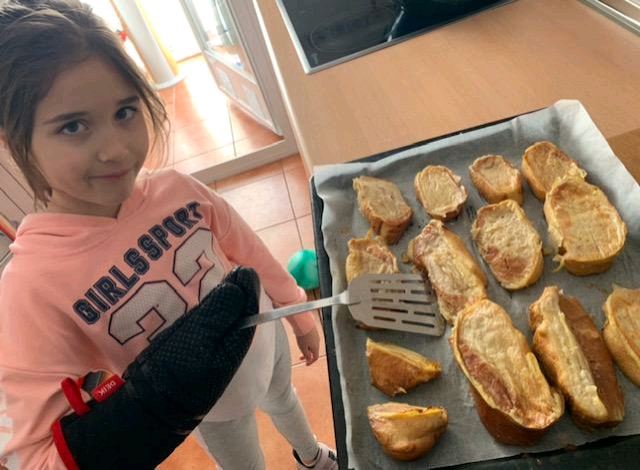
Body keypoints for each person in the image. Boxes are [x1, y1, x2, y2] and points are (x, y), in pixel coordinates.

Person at [0, 1, 338, 469]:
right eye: (73, 126)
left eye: (124, 111)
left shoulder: (177, 189)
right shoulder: (30, 289)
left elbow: (248, 249)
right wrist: (144, 412)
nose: (116, 149)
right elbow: (31, 454)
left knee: (285, 400)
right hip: (211, 412)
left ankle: (312, 457)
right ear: (13, 139)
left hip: (266, 341)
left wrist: (296, 311)